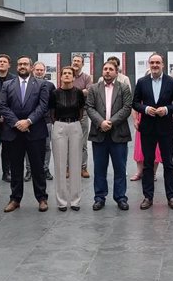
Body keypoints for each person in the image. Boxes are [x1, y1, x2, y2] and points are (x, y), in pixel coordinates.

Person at [0, 56, 50, 213]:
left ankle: (42, 198)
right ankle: (15, 199)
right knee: (15, 167)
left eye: (25, 64)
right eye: (20, 64)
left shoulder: (41, 84)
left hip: (35, 132)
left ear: (31, 67)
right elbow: (2, 106)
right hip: (14, 133)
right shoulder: (8, 85)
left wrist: (28, 121)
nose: (22, 66)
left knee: (37, 167)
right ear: (17, 66)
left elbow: (43, 107)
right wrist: (17, 123)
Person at [132, 53, 173, 210]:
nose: (154, 65)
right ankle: (148, 197)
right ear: (149, 64)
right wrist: (146, 109)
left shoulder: (171, 82)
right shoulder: (142, 82)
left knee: (168, 163)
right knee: (148, 164)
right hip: (147, 128)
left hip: (166, 128)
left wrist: (166, 109)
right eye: (152, 62)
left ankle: (171, 197)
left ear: (163, 65)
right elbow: (135, 103)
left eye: (157, 63)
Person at [86, 61, 133, 211]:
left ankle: (120, 197)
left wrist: (111, 122)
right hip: (99, 133)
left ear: (116, 72)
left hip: (118, 134)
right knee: (99, 168)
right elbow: (89, 107)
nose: (107, 71)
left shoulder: (124, 87)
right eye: (105, 69)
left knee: (120, 168)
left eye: (110, 69)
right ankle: (99, 197)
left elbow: (127, 108)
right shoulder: (93, 88)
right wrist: (101, 122)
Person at [50, 66, 86, 211]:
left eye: (69, 74)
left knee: (76, 163)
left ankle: (76, 200)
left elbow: (81, 110)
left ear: (73, 77)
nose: (66, 75)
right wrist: (59, 124)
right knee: (59, 164)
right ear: (60, 76)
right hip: (59, 126)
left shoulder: (78, 93)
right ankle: (62, 201)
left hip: (75, 126)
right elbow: (51, 112)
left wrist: (73, 123)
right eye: (64, 73)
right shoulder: (54, 93)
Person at [25, 61, 55, 181]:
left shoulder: (50, 86)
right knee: (28, 146)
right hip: (30, 121)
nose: (39, 72)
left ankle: (45, 169)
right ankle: (29, 170)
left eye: (41, 70)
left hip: (46, 121)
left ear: (44, 72)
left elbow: (53, 104)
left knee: (47, 146)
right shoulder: (27, 84)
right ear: (33, 70)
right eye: (37, 70)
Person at [0, 54, 16, 182]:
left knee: (7, 148)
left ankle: (7, 173)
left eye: (4, 62)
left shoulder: (14, 79)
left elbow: (15, 101)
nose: (2, 63)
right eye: (0, 61)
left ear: (9, 65)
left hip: (8, 120)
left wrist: (6, 116)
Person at [71, 54, 92, 178]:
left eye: (78, 61)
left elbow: (88, 91)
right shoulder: (67, 74)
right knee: (68, 142)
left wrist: (73, 92)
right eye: (74, 60)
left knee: (83, 143)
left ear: (83, 64)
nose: (76, 63)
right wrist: (80, 92)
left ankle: (83, 168)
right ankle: (68, 168)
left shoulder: (86, 77)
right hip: (67, 113)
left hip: (82, 113)